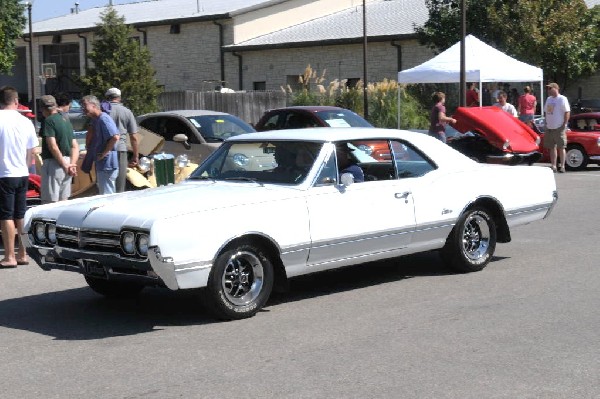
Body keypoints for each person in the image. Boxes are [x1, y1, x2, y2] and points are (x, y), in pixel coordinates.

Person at [0, 86, 39, 267]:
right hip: (22, 172)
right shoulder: (25, 121)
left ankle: (9, 256)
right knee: (20, 213)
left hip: (4, 173)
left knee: (6, 215)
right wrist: (25, 167)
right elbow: (31, 150)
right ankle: (23, 253)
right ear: (16, 101)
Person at [39, 95, 79, 204]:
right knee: (63, 202)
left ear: (43, 109)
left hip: (54, 163)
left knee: (49, 203)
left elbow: (52, 146)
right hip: (68, 162)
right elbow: (75, 146)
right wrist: (72, 165)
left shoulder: (48, 121)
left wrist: (64, 165)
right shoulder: (66, 120)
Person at [81, 95, 120, 194]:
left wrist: (104, 153)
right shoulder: (96, 120)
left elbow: (115, 137)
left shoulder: (103, 119)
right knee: (104, 192)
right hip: (103, 164)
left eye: (85, 105)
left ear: (94, 105)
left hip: (107, 164)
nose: (83, 109)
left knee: (106, 194)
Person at [105, 87, 139, 192]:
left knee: (106, 182)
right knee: (120, 184)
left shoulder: (103, 111)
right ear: (119, 98)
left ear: (107, 98)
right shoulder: (127, 112)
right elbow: (134, 137)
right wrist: (135, 155)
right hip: (121, 149)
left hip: (105, 150)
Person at [544, 82, 570, 173]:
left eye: (550, 88)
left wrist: (564, 124)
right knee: (552, 147)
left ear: (555, 88)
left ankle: (562, 166)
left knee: (561, 146)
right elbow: (546, 111)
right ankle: (554, 165)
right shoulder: (548, 99)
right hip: (550, 127)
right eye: (548, 89)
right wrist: (546, 123)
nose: (548, 90)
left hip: (559, 127)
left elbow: (567, 111)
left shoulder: (562, 99)